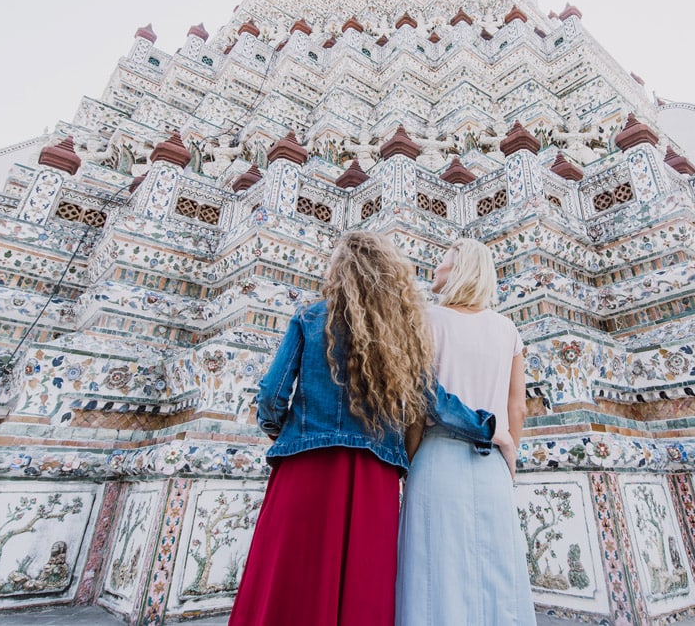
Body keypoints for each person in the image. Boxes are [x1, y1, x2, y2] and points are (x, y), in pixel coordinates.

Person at [230, 231, 491, 626]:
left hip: (305, 463)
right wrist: (484, 428)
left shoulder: (309, 317)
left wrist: (278, 430)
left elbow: (271, 393)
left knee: (291, 579)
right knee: (363, 588)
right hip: (374, 472)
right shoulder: (401, 330)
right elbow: (433, 402)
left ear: (340, 269)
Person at [396, 238, 536, 625]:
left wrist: (409, 459)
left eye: (442, 262)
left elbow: (417, 404)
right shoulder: (507, 329)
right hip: (492, 464)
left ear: (458, 270)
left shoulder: (426, 321)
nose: (435, 269)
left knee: (434, 580)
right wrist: (510, 455)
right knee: (497, 581)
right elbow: (518, 407)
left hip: (437, 458)